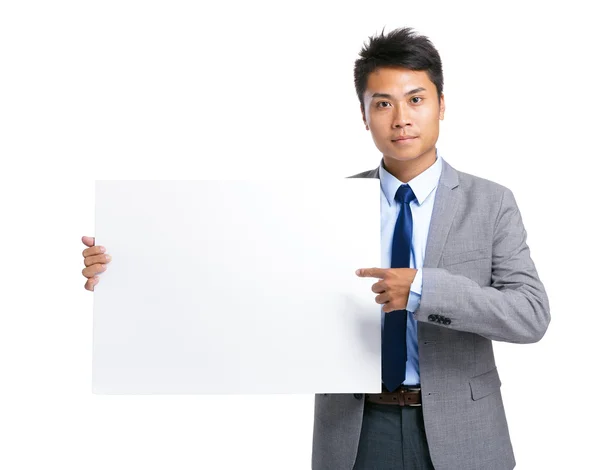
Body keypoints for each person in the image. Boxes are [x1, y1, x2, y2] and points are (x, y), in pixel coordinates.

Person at [81, 26, 551, 470]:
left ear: (442, 105)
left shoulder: (491, 203)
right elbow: (241, 277)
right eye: (383, 103)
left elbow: (530, 314)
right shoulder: (324, 208)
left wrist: (426, 290)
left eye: (416, 99)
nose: (401, 118)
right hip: (355, 432)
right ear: (363, 114)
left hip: (463, 434)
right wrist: (127, 269)